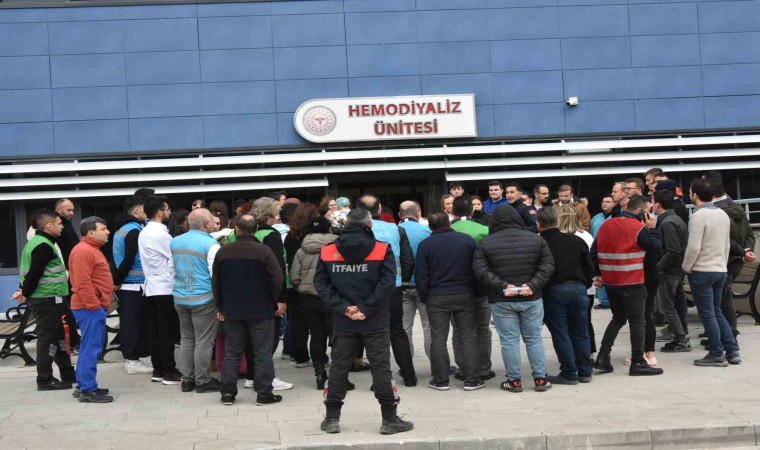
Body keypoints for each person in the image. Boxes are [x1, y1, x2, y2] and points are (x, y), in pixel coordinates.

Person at [314, 209, 414, 435]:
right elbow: (388, 283)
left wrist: (344, 307)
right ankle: (389, 419)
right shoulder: (382, 249)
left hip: (344, 321)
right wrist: (366, 308)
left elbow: (321, 284)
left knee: (339, 368)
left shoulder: (328, 250)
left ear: (346, 224)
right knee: (381, 368)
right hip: (375, 319)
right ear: (369, 224)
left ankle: (331, 419)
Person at [473, 204, 554, 393]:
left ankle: (514, 381)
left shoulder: (485, 243)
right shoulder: (536, 240)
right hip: (531, 297)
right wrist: (532, 285)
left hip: (502, 299)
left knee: (509, 341)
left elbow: (481, 270)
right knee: (534, 338)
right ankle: (540, 379)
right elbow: (547, 266)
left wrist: (503, 286)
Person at [213, 215, 285, 406]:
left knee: (232, 352)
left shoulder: (224, 251)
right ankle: (264, 393)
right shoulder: (264, 251)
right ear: (256, 230)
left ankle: (227, 393)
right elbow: (277, 279)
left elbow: (216, 281)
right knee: (262, 353)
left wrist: (220, 305)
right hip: (261, 309)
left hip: (232, 309)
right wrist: (271, 299)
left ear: (236, 229)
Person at [591, 195, 663, 376]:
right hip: (633, 280)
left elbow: (593, 252)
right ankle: (638, 361)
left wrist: (599, 273)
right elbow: (655, 248)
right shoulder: (638, 228)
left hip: (611, 281)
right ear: (639, 211)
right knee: (638, 321)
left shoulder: (606, 225)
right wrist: (653, 229)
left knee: (618, 318)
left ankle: (603, 356)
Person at [416, 212, 482, 391]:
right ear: (449, 223)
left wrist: (425, 296)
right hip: (465, 293)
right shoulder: (467, 241)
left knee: (438, 338)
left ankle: (440, 380)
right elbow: (477, 268)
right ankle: (471, 379)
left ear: (430, 226)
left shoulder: (425, 245)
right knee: (468, 337)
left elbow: (421, 275)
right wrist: (478, 292)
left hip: (437, 296)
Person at [356, 194, 417, 386]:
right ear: (380, 209)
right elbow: (408, 260)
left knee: (373, 334)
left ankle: (380, 380)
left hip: (366, 289)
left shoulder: (356, 231)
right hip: (393, 287)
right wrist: (403, 281)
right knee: (397, 330)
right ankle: (409, 375)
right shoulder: (396, 229)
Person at [13, 210, 76, 391]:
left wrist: (24, 291)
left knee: (59, 337)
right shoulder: (43, 246)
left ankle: (67, 372)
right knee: (48, 339)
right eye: (59, 223)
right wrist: (25, 292)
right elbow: (34, 274)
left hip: (51, 298)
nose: (62, 227)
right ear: (49, 226)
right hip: (47, 299)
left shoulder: (38, 242)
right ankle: (44, 379)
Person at [683, 179, 740, 367]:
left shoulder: (697, 216)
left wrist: (686, 267)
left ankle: (716, 353)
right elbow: (727, 244)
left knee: (707, 314)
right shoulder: (722, 214)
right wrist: (722, 264)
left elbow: (693, 247)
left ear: (695, 195)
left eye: (690, 191)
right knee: (717, 312)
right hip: (719, 269)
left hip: (702, 271)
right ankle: (732, 350)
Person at [538, 207, 594, 385]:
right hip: (578, 288)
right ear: (557, 221)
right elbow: (589, 267)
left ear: (538, 224)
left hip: (553, 290)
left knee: (561, 333)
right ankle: (585, 371)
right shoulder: (576, 240)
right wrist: (585, 284)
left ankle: (569, 372)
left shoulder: (539, 243)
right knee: (581, 331)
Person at [290, 216, 346, 390]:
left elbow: (294, 277)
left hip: (310, 299)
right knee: (337, 337)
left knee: (316, 336)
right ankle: (339, 376)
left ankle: (320, 373)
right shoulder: (338, 247)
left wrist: (304, 288)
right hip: (334, 297)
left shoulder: (302, 250)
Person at [171, 208, 222, 393]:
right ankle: (203, 380)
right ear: (207, 224)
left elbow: (171, 269)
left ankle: (187, 379)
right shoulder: (211, 244)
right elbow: (215, 274)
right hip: (204, 298)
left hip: (180, 297)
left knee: (186, 339)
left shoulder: (175, 241)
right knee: (204, 341)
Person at [704, 171, 757, 343]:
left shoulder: (717, 211)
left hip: (725, 259)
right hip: (735, 259)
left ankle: (729, 335)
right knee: (723, 297)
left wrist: (743, 252)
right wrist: (747, 250)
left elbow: (726, 238)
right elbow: (749, 233)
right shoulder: (734, 205)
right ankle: (725, 333)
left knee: (723, 299)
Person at [68, 216, 114, 403]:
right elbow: (82, 282)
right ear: (90, 233)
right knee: (91, 348)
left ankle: (83, 385)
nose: (108, 232)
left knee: (90, 347)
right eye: (103, 229)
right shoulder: (83, 251)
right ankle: (87, 390)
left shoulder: (91, 249)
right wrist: (94, 305)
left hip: (91, 307)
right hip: (89, 308)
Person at [138, 195, 182, 385]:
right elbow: (175, 256)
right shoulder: (161, 234)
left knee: (155, 331)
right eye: (167, 209)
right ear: (159, 212)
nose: (169, 212)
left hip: (150, 288)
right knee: (166, 332)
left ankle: (158, 369)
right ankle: (169, 371)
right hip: (164, 287)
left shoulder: (144, 231)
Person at [450, 196, 494, 382]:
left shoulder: (445, 231)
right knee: (483, 328)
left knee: (458, 329)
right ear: (471, 211)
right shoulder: (484, 230)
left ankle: (463, 368)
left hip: (453, 287)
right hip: (479, 286)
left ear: (452, 211)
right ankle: (483, 368)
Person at [251, 198, 293, 390]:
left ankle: (252, 375)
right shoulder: (271, 235)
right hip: (267, 292)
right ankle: (267, 377)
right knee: (270, 336)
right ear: (270, 213)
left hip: (245, 291)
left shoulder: (239, 232)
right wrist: (282, 297)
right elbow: (278, 269)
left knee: (249, 338)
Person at [112, 196, 152, 375]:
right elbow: (128, 260)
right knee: (133, 324)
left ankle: (139, 357)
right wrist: (117, 280)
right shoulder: (134, 231)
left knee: (135, 323)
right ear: (136, 210)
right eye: (144, 208)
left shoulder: (124, 229)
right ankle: (133, 361)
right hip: (133, 285)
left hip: (130, 285)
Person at [556, 204, 598, 359]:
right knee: (585, 321)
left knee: (565, 323)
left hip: (564, 285)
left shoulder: (556, 237)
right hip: (586, 286)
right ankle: (589, 353)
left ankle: (572, 354)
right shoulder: (586, 236)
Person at [651, 190, 690, 353]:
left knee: (667, 306)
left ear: (658, 204)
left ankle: (681, 339)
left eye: (652, 202)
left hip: (670, 271)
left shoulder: (667, 223)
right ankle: (681, 335)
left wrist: (656, 268)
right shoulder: (674, 219)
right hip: (676, 269)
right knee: (673, 304)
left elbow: (672, 251)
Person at [283, 203, 319, 367]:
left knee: (297, 322)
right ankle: (319, 356)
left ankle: (300, 356)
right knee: (317, 323)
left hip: (295, 281)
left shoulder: (291, 236)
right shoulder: (315, 236)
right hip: (314, 282)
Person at [398, 201, 432, 360]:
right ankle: (436, 364)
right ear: (419, 213)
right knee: (429, 326)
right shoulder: (427, 231)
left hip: (401, 285)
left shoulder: (394, 231)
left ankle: (406, 366)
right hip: (424, 285)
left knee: (404, 327)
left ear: (399, 215)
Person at [54, 198, 81, 350]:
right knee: (67, 310)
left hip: (72, 272)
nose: (72, 213)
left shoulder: (67, 225)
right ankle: (74, 342)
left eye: (73, 210)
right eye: (68, 210)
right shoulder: (59, 228)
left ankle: (74, 341)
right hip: (66, 275)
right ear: (58, 211)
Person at [590, 196, 615, 310]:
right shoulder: (596, 217)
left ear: (614, 204)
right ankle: (603, 300)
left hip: (611, 250)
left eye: (608, 202)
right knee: (598, 273)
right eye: (603, 201)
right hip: (597, 250)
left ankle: (611, 300)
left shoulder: (616, 217)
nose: (604, 204)